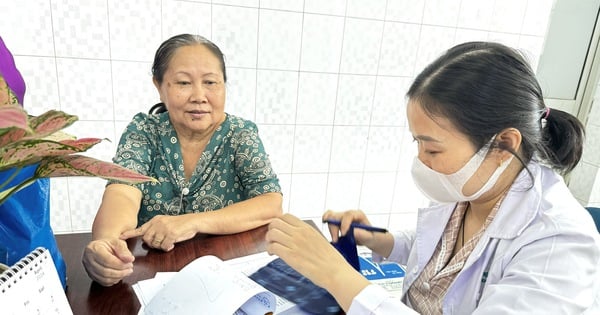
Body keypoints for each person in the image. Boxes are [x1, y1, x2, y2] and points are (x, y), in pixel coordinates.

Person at [266, 41, 600, 314]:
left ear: (503, 144)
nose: (421, 162)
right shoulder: (476, 186)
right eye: (417, 143)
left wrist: (335, 274)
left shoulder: (558, 243)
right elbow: (438, 250)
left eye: (433, 150)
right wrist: (378, 239)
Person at [83, 34, 283, 287]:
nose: (199, 96)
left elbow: (270, 202)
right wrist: (106, 246)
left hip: (227, 275)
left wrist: (192, 222)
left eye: (211, 82)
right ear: (159, 85)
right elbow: (122, 193)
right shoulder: (145, 131)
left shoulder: (240, 134)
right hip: (154, 275)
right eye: (183, 83)